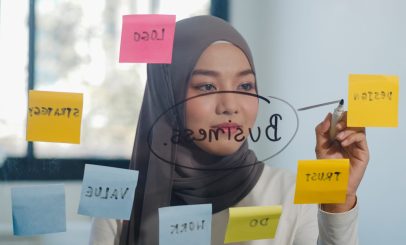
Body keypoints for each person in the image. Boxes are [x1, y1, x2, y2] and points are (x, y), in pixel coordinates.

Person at [89, 15, 369, 245]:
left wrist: (338, 201)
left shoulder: (291, 192)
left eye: (245, 86)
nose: (230, 105)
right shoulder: (119, 197)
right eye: (207, 87)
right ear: (168, 97)